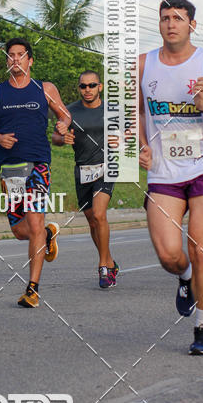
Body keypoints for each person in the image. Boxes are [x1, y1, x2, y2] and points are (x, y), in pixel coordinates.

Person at [139, 0, 203, 355]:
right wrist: (139, 145)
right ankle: (185, 280)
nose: (171, 24)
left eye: (179, 18)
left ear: (192, 25)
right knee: (170, 255)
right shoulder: (143, 64)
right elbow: (133, 114)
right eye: (166, 18)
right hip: (163, 171)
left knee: (201, 249)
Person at [0, 38, 71, 308]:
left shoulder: (45, 89)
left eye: (21, 55)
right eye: (11, 56)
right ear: (7, 61)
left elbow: (64, 115)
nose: (15, 59)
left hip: (38, 164)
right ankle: (46, 234)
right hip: (10, 168)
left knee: (32, 224)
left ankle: (32, 288)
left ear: (30, 60)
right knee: (21, 231)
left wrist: (63, 126)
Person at [52, 71, 119, 288]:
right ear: (79, 88)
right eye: (83, 86)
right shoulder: (69, 111)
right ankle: (110, 261)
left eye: (92, 85)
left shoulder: (112, 109)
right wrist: (62, 138)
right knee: (92, 220)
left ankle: (102, 266)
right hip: (83, 169)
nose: (87, 90)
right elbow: (55, 137)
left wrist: (120, 138)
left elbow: (130, 132)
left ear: (100, 87)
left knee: (100, 214)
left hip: (107, 167)